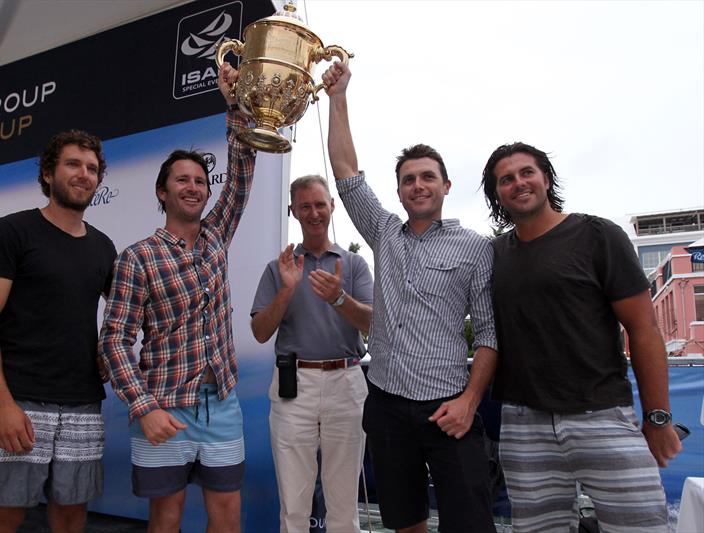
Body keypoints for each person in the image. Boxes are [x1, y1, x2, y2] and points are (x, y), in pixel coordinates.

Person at [323, 62, 498, 533]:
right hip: (385, 405)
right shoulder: (383, 232)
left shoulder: (477, 247)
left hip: (449, 408)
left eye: (427, 177)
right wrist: (339, 98)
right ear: (399, 190)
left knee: (469, 524)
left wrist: (470, 401)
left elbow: (488, 334)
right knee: (404, 522)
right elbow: (345, 171)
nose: (417, 185)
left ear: (446, 185)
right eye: (408, 179)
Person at [480, 142, 682, 532]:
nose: (518, 183)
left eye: (526, 172)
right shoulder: (492, 255)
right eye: (505, 180)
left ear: (546, 178)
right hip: (524, 424)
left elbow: (644, 330)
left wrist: (658, 418)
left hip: (602, 415)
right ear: (497, 195)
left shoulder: (599, 235)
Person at [98, 63, 256, 533]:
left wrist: (234, 106)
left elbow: (243, 172)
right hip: (163, 405)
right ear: (162, 191)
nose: (193, 186)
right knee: (165, 519)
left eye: (201, 181)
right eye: (182, 180)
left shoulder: (215, 237)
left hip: (222, 403)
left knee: (226, 519)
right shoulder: (137, 258)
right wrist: (143, 408)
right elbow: (114, 341)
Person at [0, 130, 117, 533]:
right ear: (48, 174)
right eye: (72, 164)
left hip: (83, 403)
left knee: (71, 516)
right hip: (18, 398)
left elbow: (122, 314)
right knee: (2, 516)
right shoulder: (13, 232)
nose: (84, 175)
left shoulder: (103, 247)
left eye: (92, 168)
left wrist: (107, 350)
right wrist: (1, 405)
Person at [250, 175, 373, 532]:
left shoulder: (353, 265)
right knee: (293, 501)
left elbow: (372, 322)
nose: (314, 212)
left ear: (332, 206)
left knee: (343, 501)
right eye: (305, 206)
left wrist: (338, 297)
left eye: (320, 204)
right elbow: (260, 332)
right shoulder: (279, 268)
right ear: (293, 211)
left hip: (346, 381)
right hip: (294, 386)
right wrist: (287, 290)